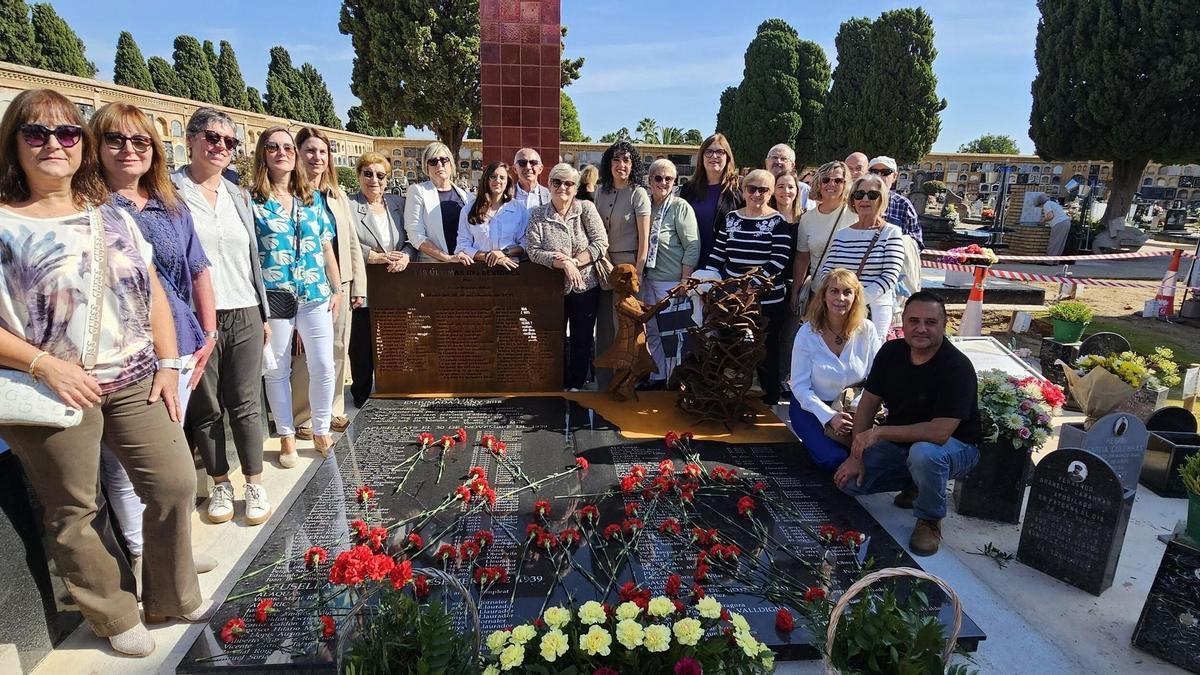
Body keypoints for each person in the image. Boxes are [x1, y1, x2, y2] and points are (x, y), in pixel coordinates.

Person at [0, 89, 207, 657]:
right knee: (75, 509)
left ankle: (170, 594)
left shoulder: (108, 215)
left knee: (173, 482)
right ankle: (113, 613)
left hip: (136, 374)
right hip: (53, 389)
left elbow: (155, 293)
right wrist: (44, 364)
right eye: (36, 133)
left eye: (67, 133)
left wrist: (167, 363)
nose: (53, 144)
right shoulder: (3, 223)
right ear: (14, 144)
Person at [91, 102, 220, 580]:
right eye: (116, 140)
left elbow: (198, 268)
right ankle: (143, 554)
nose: (129, 150)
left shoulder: (169, 204)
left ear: (154, 150)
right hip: (123, 351)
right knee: (123, 464)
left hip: (181, 343)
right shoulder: (92, 207)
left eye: (140, 141)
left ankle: (175, 550)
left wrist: (208, 332)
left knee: (170, 451)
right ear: (96, 146)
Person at [172, 107, 272, 527]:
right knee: (207, 405)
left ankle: (254, 481)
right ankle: (219, 483)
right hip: (196, 316)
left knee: (247, 401)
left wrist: (264, 313)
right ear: (191, 139)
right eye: (212, 138)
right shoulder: (170, 193)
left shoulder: (238, 195)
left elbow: (252, 258)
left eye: (230, 142)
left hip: (244, 307)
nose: (221, 148)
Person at [833, 292, 982, 556]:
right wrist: (856, 455)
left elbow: (939, 433)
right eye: (914, 321)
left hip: (955, 447)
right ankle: (917, 484)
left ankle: (929, 519)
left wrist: (879, 433)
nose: (921, 328)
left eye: (930, 322)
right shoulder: (892, 352)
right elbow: (867, 404)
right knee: (849, 484)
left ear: (944, 324)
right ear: (903, 322)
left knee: (924, 454)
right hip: (903, 444)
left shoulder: (957, 367)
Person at [251, 127, 342, 469]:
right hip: (276, 297)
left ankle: (320, 428)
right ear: (263, 153)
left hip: (315, 293)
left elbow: (325, 245)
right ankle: (286, 434)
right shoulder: (253, 202)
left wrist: (338, 288)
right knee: (277, 369)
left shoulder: (312, 198)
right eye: (273, 147)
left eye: (287, 147)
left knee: (323, 364)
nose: (282, 153)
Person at [291, 127, 367, 440]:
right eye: (310, 151)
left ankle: (333, 407)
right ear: (298, 154)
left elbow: (350, 243)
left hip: (341, 284)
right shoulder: (291, 194)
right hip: (305, 286)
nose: (317, 157)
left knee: (337, 349)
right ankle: (304, 414)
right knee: (304, 353)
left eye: (322, 152)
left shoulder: (337, 196)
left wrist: (358, 286)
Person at [705, 169, 791, 405]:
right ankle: (731, 396)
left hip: (767, 300)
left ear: (771, 192)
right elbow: (718, 253)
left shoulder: (778, 222)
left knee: (765, 351)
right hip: (732, 298)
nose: (756, 194)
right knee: (731, 345)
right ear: (743, 190)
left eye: (763, 189)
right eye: (751, 188)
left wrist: (748, 286)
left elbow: (779, 261)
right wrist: (705, 278)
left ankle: (769, 400)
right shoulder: (731, 218)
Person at [525, 163, 609, 391]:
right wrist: (561, 262)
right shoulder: (537, 215)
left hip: (586, 286)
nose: (563, 187)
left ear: (576, 187)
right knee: (554, 338)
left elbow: (600, 242)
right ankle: (557, 383)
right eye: (557, 182)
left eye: (569, 183)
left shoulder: (586, 209)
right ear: (549, 184)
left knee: (582, 339)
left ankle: (578, 384)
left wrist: (575, 262)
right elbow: (533, 250)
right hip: (553, 289)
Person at [789, 269, 882, 470]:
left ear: (856, 297)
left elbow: (877, 377)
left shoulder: (867, 330)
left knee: (871, 459)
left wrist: (857, 409)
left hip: (856, 408)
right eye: (834, 291)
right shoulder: (807, 333)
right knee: (834, 459)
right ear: (823, 296)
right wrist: (830, 416)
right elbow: (799, 386)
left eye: (847, 292)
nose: (840, 298)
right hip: (812, 407)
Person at [349, 152, 412, 407]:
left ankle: (394, 385)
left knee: (397, 336)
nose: (374, 180)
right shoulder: (349, 205)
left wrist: (407, 256)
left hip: (395, 282)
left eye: (380, 175)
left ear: (387, 180)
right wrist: (372, 256)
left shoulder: (398, 203)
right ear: (359, 176)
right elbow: (343, 241)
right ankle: (362, 392)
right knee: (362, 341)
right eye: (368, 174)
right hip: (364, 281)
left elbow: (411, 238)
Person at [816, 174, 906, 341]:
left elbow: (889, 276)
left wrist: (856, 301)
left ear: (882, 199)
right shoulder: (842, 234)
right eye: (859, 195)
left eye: (872, 195)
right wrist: (836, 298)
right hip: (838, 309)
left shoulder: (891, 233)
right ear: (853, 200)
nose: (865, 199)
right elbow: (826, 272)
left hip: (873, 310)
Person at [595, 140, 651, 386]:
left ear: (633, 165)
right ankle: (605, 380)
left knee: (626, 327)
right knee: (605, 325)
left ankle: (628, 381)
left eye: (626, 160)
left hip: (628, 267)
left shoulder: (638, 193)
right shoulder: (601, 191)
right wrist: (603, 262)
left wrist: (636, 274)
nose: (621, 165)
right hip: (604, 265)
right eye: (616, 160)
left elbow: (645, 240)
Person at [641, 158, 699, 387]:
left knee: (673, 335)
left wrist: (685, 279)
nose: (663, 182)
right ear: (649, 180)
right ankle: (657, 376)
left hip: (671, 281)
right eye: (658, 177)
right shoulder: (645, 206)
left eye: (669, 179)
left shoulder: (680, 207)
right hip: (647, 279)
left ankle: (673, 381)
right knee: (653, 332)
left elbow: (692, 244)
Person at [790, 161, 852, 315]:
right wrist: (795, 292)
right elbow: (802, 258)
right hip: (819, 292)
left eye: (838, 180)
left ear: (845, 184)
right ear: (818, 183)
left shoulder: (856, 214)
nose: (831, 184)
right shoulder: (807, 218)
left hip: (849, 294)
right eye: (826, 179)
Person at [680, 133, 743, 270]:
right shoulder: (688, 189)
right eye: (708, 152)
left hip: (725, 266)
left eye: (720, 152)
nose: (714, 156)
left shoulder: (739, 189)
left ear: (727, 156)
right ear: (701, 157)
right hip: (690, 264)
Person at [403, 141, 470, 263]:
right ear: (426, 167)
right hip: (433, 267)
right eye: (433, 161)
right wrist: (447, 258)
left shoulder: (467, 196)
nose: (439, 165)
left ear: (451, 164)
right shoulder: (418, 191)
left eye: (444, 160)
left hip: (464, 265)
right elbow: (415, 235)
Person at [455, 161, 525, 269]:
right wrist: (488, 256)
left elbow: (525, 244)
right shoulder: (469, 210)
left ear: (507, 182)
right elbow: (462, 245)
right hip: (479, 270)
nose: (497, 181)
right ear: (486, 180)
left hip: (511, 270)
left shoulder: (519, 209)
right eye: (493, 177)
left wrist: (504, 253)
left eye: (502, 178)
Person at [770, 170, 804, 390]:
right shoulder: (768, 218)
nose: (786, 191)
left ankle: (784, 377)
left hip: (795, 283)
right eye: (780, 186)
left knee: (790, 336)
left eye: (790, 186)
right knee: (771, 334)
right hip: (771, 284)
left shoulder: (805, 219)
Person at [868, 156, 922, 247]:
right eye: (874, 172)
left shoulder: (903, 205)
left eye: (885, 172)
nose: (879, 176)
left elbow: (916, 240)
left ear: (894, 176)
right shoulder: (858, 200)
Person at [765, 143, 811, 211]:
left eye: (783, 159)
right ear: (766, 162)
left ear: (792, 165)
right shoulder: (757, 186)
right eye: (774, 157)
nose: (778, 162)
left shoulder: (803, 189)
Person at [513, 147, 551, 211]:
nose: (528, 167)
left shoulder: (550, 196)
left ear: (540, 169)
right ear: (515, 169)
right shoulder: (505, 195)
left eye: (533, 162)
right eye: (522, 163)